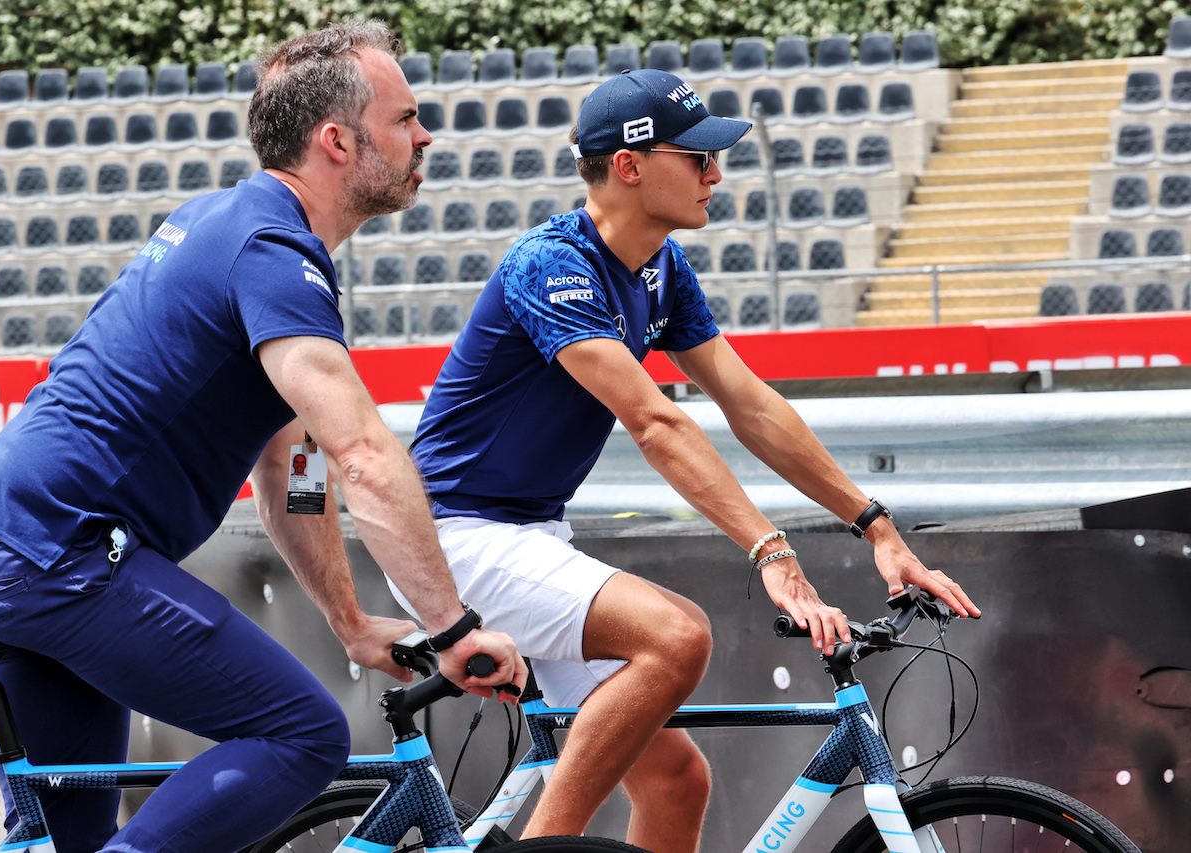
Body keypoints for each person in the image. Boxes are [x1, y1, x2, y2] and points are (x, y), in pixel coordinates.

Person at [0, 20, 524, 853]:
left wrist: (354, 620)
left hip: (11, 549)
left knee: (69, 836)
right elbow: (360, 451)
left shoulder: (234, 225)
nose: (425, 134)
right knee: (302, 735)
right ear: (336, 140)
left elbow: (298, 461)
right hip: (64, 558)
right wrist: (454, 626)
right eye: (404, 118)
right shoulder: (271, 249)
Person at [396, 68, 980, 853]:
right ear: (630, 166)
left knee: (677, 781)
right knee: (677, 637)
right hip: (451, 535)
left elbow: (753, 405)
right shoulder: (552, 264)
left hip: (526, 535)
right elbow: (656, 422)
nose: (716, 173)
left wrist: (872, 524)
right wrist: (770, 547)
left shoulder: (662, 269)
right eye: (696, 157)